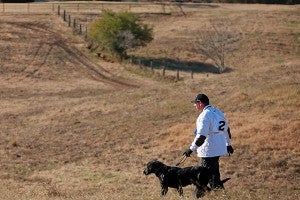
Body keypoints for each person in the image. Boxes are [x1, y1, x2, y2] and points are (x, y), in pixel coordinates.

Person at [183, 93, 234, 190]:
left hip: (209, 149)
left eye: (195, 103)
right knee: (214, 174)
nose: (194, 105)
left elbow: (201, 136)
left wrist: (190, 149)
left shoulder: (204, 116)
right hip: (219, 147)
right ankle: (218, 192)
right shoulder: (218, 112)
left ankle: (204, 193)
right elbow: (227, 129)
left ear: (200, 103)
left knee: (206, 176)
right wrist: (228, 144)